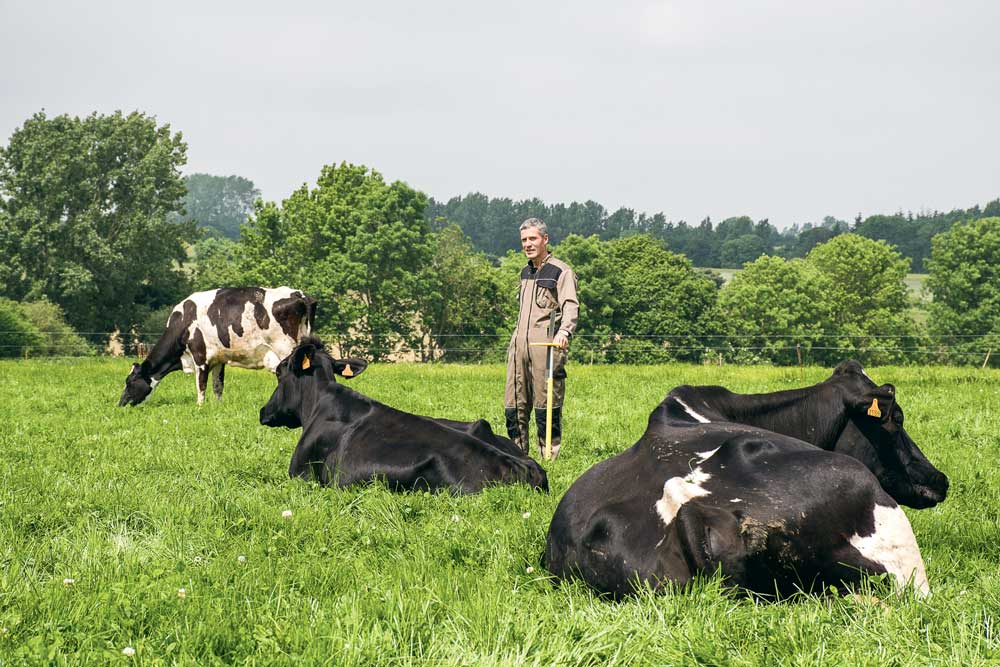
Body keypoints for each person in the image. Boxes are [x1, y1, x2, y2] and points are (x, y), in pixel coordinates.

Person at [505, 218, 579, 460]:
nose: (528, 244)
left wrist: (564, 332)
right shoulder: (525, 272)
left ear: (545, 239)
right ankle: (518, 457)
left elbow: (570, 306)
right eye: (524, 240)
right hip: (518, 349)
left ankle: (549, 458)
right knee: (514, 404)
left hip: (546, 348)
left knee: (546, 405)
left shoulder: (561, 271)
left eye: (532, 239)